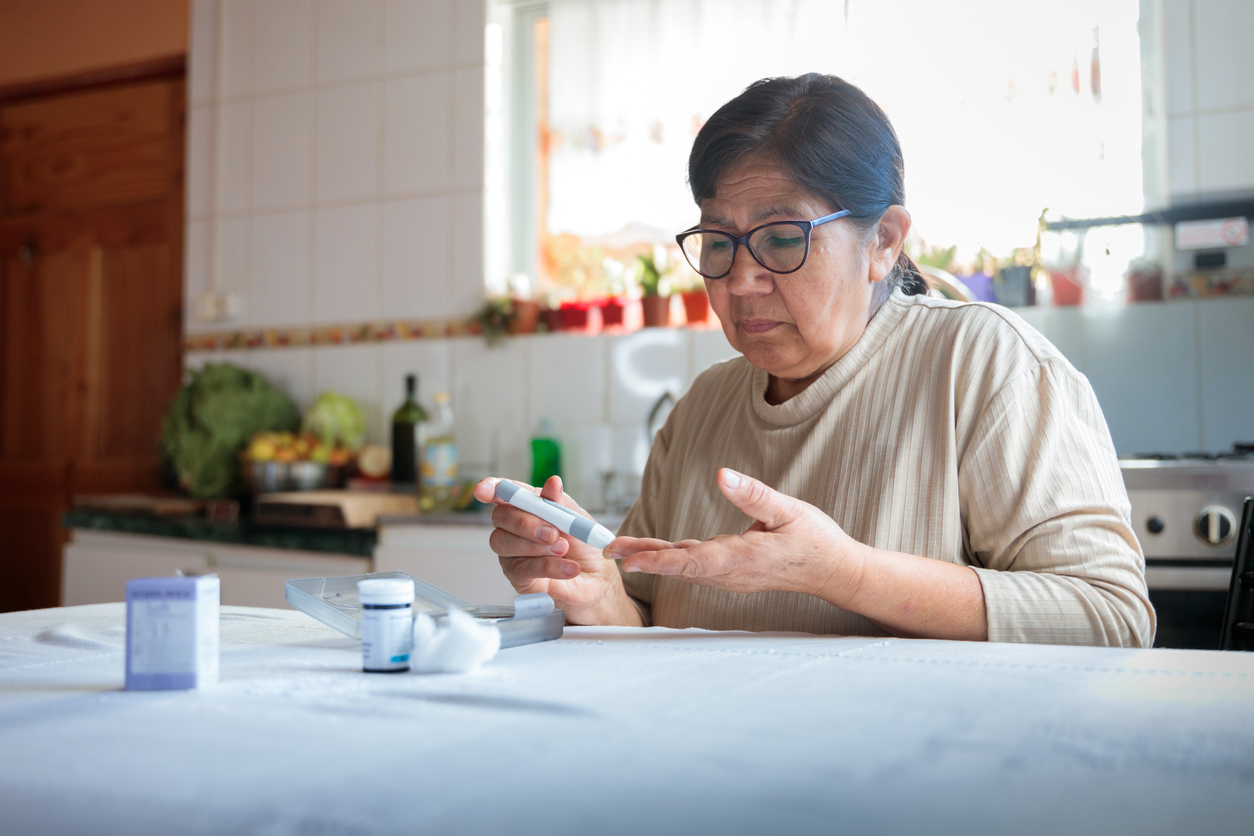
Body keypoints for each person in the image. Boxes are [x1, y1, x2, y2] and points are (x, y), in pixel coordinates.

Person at [475, 74, 1154, 646]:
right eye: (719, 241)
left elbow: (1110, 616)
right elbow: (649, 626)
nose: (741, 280)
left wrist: (841, 572)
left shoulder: (983, 365)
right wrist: (595, 596)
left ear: (883, 241)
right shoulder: (702, 410)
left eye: (781, 237)